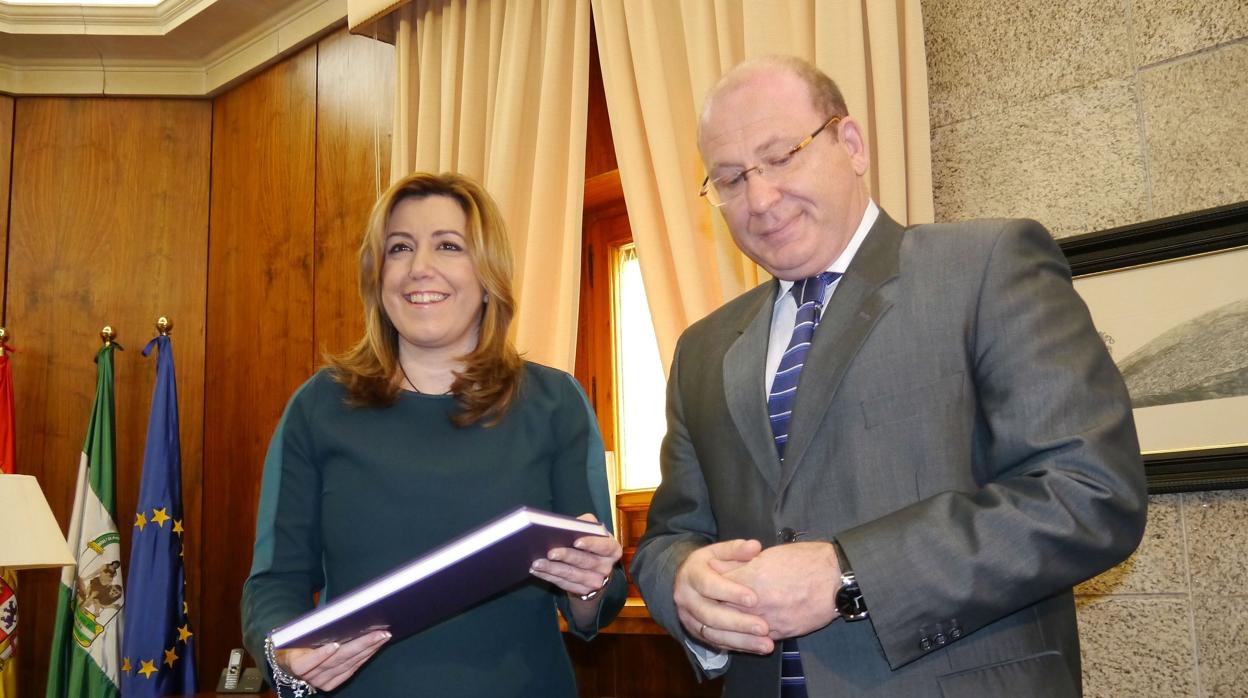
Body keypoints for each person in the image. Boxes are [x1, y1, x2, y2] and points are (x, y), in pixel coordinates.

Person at [631, 55, 1148, 697]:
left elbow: (1090, 495)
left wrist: (848, 572)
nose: (760, 199)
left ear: (850, 144)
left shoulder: (986, 266)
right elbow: (669, 538)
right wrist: (685, 583)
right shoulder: (702, 349)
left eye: (783, 155)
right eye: (730, 178)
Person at [242, 172, 625, 697]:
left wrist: (589, 582)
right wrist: (284, 657)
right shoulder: (319, 406)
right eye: (399, 248)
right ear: (378, 275)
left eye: (448, 246)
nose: (420, 267)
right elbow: (273, 582)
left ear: (488, 273)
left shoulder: (555, 403)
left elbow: (594, 605)